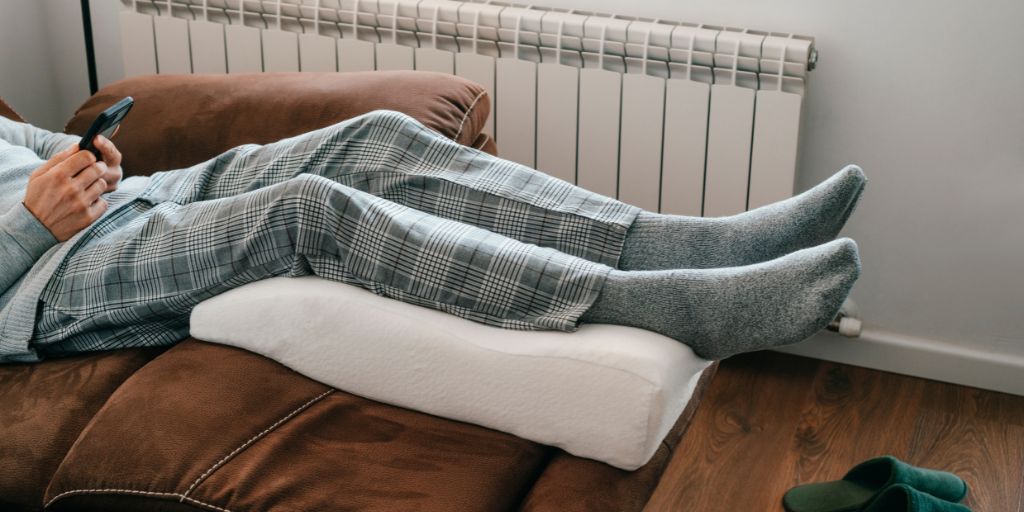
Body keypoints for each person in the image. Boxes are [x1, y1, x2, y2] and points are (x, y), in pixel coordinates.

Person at [0, 110, 863, 363]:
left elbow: (34, 142)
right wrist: (32, 221)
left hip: (133, 196)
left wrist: (85, 157)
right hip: (48, 277)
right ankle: (662, 306)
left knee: (374, 138)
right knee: (307, 209)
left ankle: (693, 245)